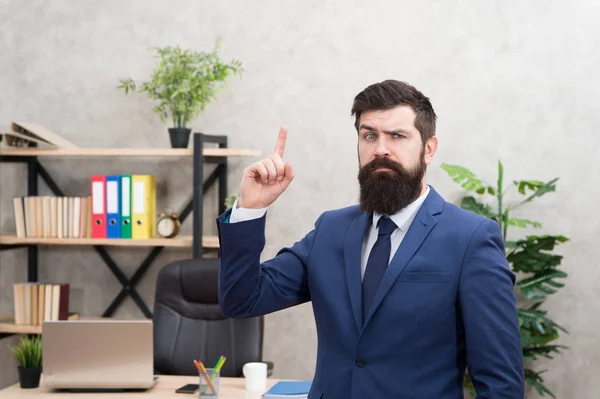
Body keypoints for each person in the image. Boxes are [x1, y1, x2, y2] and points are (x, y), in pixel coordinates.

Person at [216, 80, 525, 399]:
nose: (380, 149)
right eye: (369, 135)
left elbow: (501, 384)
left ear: (428, 149)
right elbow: (242, 300)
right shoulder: (330, 229)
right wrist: (250, 209)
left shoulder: (471, 239)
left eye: (398, 136)